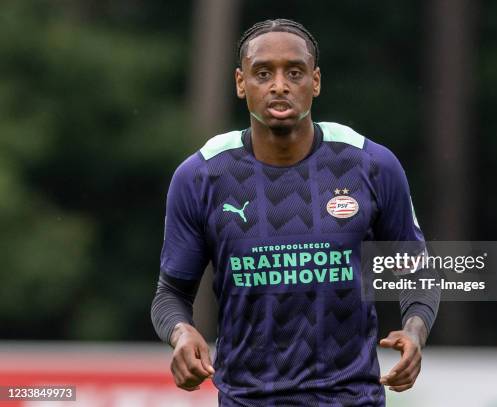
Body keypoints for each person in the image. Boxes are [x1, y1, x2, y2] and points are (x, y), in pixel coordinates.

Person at [151, 18, 440, 407]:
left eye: (295, 72)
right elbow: (170, 294)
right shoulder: (201, 176)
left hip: (349, 399)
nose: (280, 85)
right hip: (247, 400)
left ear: (315, 82)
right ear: (241, 83)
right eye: (263, 72)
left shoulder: (371, 165)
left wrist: (415, 330)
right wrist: (181, 333)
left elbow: (418, 273)